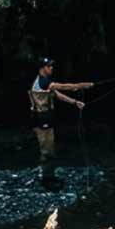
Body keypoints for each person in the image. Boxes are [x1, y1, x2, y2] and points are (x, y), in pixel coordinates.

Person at [29, 58, 93, 188]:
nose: (51, 68)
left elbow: (58, 95)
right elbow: (64, 87)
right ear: (42, 68)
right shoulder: (43, 82)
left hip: (46, 118)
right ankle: (47, 180)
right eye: (49, 66)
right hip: (41, 120)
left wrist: (75, 102)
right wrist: (81, 85)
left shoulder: (45, 83)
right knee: (46, 151)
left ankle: (49, 176)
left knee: (50, 148)